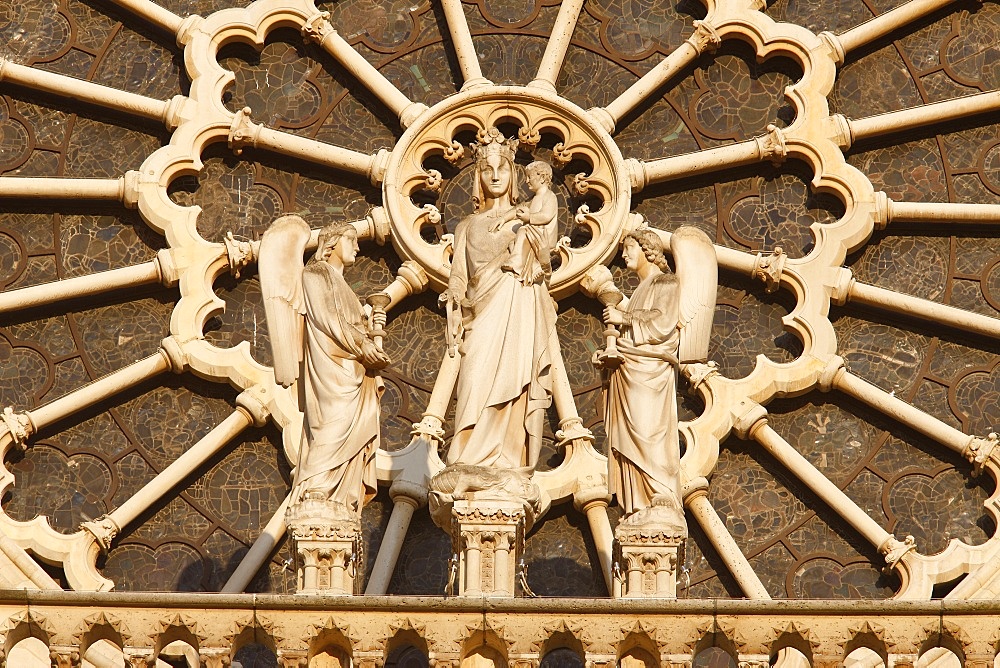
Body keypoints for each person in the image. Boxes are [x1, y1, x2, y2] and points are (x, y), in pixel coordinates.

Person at [443, 129, 558, 470]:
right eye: (486, 169)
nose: (494, 175)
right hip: (480, 312)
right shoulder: (467, 226)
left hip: (517, 304)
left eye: (503, 168)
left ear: (513, 176)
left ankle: (507, 455)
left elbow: (544, 250)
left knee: (516, 377)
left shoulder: (530, 211)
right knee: (475, 377)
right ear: (477, 176)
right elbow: (459, 275)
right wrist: (452, 293)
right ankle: (470, 452)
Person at [296, 222, 390, 514]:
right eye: (351, 240)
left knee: (348, 425)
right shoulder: (315, 273)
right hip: (333, 363)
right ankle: (318, 483)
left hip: (353, 368)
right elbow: (329, 320)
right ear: (332, 242)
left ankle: (340, 490)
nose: (358, 247)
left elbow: (347, 321)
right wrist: (363, 345)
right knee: (332, 422)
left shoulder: (342, 284)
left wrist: (371, 332)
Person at [601, 229, 683, 517]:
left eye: (630, 247)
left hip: (650, 372)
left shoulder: (666, 282)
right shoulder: (637, 293)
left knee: (650, 430)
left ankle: (659, 489)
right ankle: (636, 500)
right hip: (629, 372)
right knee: (631, 435)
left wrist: (623, 318)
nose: (624, 255)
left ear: (648, 250)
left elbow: (664, 323)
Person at [501, 160, 559, 286]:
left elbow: (546, 216)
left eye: (529, 177)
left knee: (522, 231)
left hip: (543, 237)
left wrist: (529, 217)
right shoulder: (533, 199)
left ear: (542, 178)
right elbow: (518, 210)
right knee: (512, 243)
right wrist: (503, 218)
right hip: (533, 236)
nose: (526, 181)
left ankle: (517, 261)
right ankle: (532, 266)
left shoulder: (549, 196)